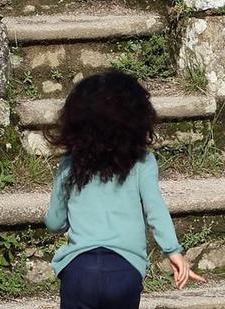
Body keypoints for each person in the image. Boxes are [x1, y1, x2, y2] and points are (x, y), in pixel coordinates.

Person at [45, 71, 203, 306]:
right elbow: (155, 210)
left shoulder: (70, 163)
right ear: (138, 118)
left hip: (79, 271)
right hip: (125, 270)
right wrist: (173, 251)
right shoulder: (142, 162)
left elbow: (54, 222)